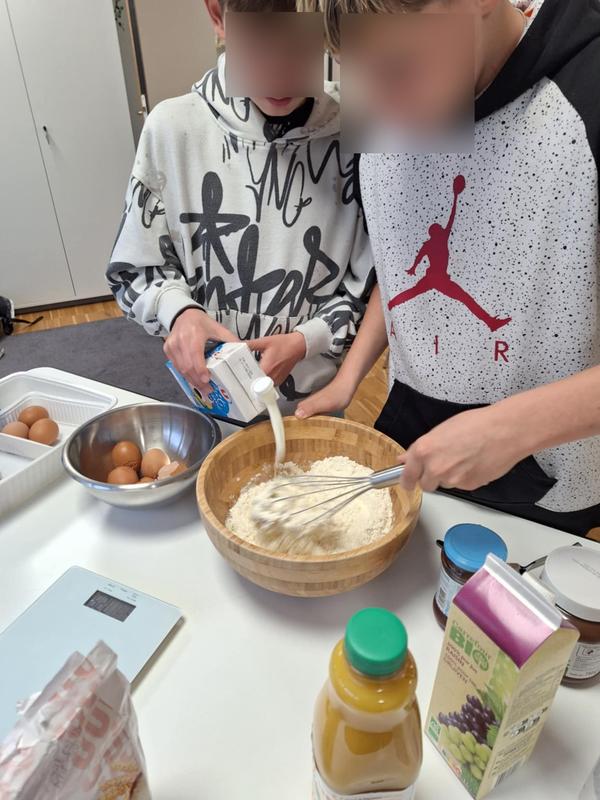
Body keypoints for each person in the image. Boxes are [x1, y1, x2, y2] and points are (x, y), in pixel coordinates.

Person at [297, 0, 600, 535]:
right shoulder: (383, 104)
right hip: (412, 450)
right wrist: (349, 378)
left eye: (398, 69)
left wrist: (511, 430)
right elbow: (396, 267)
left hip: (547, 486)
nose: (380, 111)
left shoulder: (583, 98)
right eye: (352, 73)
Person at [107, 0, 374, 413]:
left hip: (316, 404)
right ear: (218, 16)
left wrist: (309, 339)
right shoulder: (172, 130)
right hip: (212, 400)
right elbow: (136, 270)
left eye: (297, 48)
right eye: (258, 47)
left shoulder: (361, 130)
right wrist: (179, 313)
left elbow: (375, 282)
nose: (277, 74)